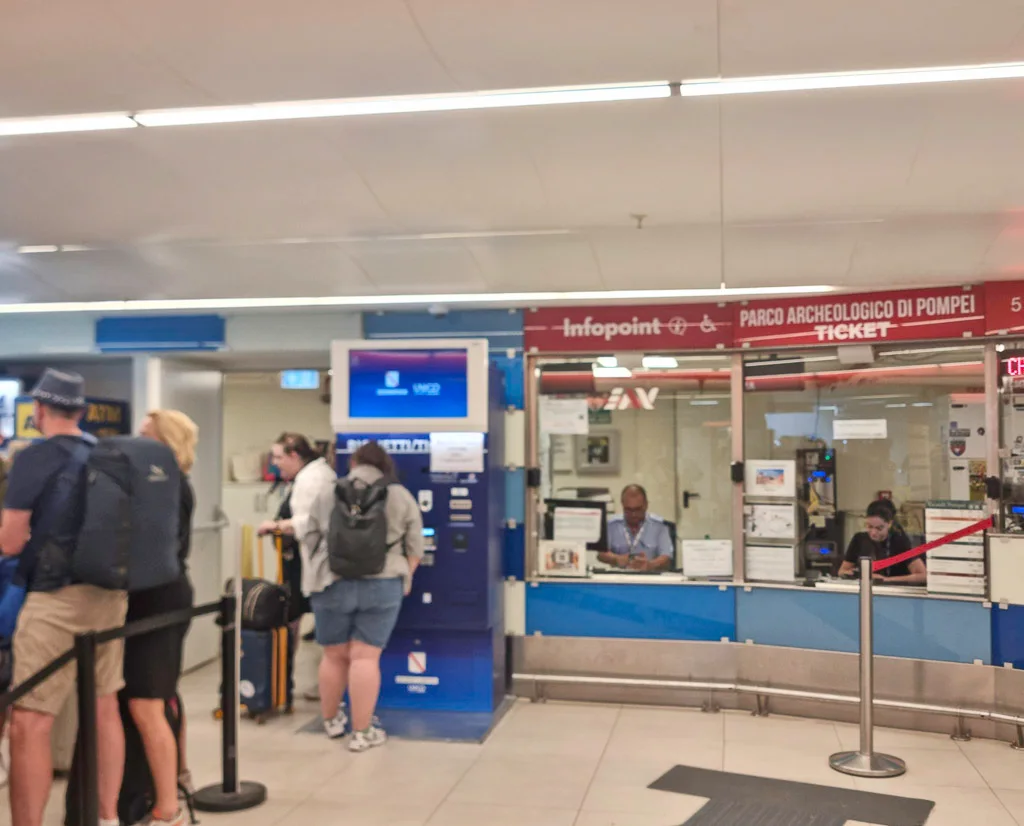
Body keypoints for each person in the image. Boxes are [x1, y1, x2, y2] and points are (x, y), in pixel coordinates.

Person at [1, 370, 127, 826]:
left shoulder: (33, 458)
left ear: (38, 410)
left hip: (53, 599)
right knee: (104, 707)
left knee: (30, 720)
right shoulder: (109, 454)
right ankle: (107, 817)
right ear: (83, 411)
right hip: (109, 595)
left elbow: (11, 541)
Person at [263, 439, 424, 752]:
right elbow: (415, 547)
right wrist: (404, 575)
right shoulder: (400, 495)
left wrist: (322, 566)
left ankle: (331, 721)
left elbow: (309, 534)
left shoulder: (328, 492)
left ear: (352, 464)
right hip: (383, 584)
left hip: (331, 583)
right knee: (365, 657)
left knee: (333, 656)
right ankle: (362, 732)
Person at [120, 410, 198, 826]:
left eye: (146, 435)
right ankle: (176, 779)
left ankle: (167, 808)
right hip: (162, 597)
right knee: (162, 696)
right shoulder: (172, 486)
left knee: (146, 703)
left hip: (158, 601)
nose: (137, 442)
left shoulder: (168, 489)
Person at [839, 499, 926, 585]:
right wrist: (856, 574)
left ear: (889, 524)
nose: (873, 533)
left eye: (879, 528)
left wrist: (885, 580)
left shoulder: (899, 541)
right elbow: (842, 571)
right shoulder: (859, 539)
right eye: (869, 526)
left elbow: (923, 576)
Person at [599, 484, 674, 571]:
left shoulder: (660, 527)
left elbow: (666, 557)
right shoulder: (611, 525)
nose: (633, 514)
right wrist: (616, 559)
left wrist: (650, 565)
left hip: (650, 576)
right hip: (619, 576)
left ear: (646, 505)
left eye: (638, 509)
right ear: (622, 505)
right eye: (628, 510)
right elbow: (601, 554)